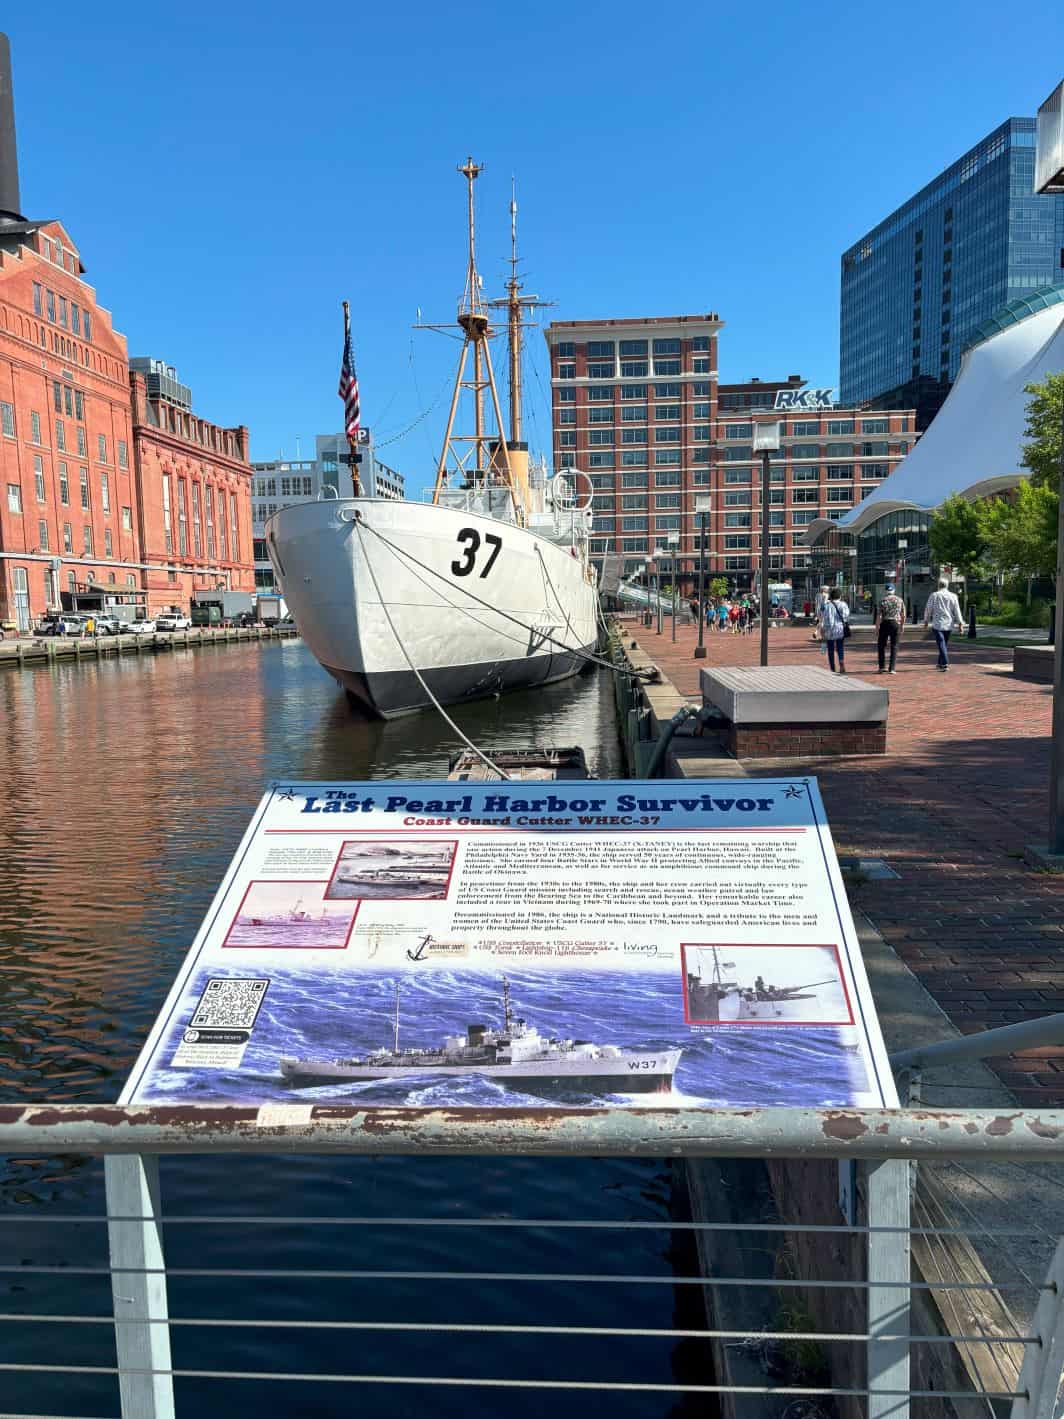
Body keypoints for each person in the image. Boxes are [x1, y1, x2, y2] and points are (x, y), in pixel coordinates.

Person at [923, 577, 964, 671]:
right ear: (947, 585)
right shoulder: (953, 596)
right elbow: (957, 610)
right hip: (949, 624)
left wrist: (926, 620)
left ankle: (945, 663)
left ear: (938, 585)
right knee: (943, 644)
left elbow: (928, 609)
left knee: (941, 643)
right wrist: (960, 623)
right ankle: (940, 663)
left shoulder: (934, 595)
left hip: (937, 624)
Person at [875, 582, 906, 675]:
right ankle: (892, 668)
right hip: (895, 623)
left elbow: (879, 616)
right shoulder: (899, 600)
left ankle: (881, 667)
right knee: (894, 646)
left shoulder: (882, 600)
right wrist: (902, 625)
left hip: (885, 623)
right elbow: (903, 614)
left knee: (881, 645)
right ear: (894, 590)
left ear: (886, 590)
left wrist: (877, 628)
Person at [818, 587, 850, 673]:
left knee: (830, 648)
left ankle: (832, 667)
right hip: (840, 628)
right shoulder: (843, 604)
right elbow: (846, 616)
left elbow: (823, 617)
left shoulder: (827, 606)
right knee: (840, 646)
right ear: (839, 596)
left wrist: (822, 629)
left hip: (829, 628)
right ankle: (841, 661)